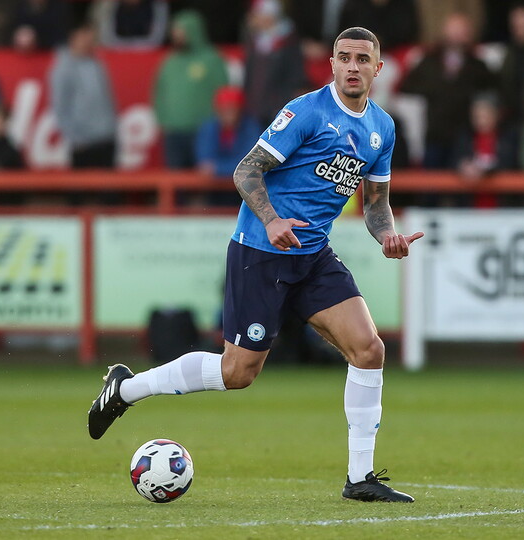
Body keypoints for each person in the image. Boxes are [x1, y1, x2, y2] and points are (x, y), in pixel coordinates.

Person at [88, 26, 423, 504]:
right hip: (261, 251)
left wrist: (387, 234)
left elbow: (375, 203)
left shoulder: (382, 128)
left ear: (377, 68)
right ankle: (127, 388)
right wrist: (269, 220)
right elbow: (245, 169)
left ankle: (360, 477)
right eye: (344, 57)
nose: (352, 66)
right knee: (238, 372)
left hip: (312, 254)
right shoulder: (307, 112)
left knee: (369, 349)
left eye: (362, 59)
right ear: (331, 64)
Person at [399, 12, 496, 169]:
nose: (456, 36)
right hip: (434, 134)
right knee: (431, 184)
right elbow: (407, 87)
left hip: (466, 136)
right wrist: (434, 91)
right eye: (453, 30)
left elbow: (490, 92)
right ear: (444, 32)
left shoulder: (478, 65)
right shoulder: (428, 61)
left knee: (463, 187)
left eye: (461, 31)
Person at [153, 9, 228, 169]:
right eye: (175, 31)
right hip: (173, 132)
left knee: (203, 179)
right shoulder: (169, 61)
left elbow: (224, 93)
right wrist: (162, 119)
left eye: (181, 30)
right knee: (175, 181)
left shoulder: (212, 59)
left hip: (203, 131)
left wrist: (216, 122)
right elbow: (159, 92)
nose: (176, 35)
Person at [49, 23, 118, 168]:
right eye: (85, 38)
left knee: (110, 188)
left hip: (107, 137)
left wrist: (112, 128)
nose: (89, 42)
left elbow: (107, 99)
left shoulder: (97, 64)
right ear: (73, 39)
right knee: (84, 189)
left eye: (91, 38)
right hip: (84, 143)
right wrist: (76, 139)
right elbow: (59, 108)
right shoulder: (62, 69)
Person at [243, 0, 308, 125]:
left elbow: (295, 75)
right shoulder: (254, 41)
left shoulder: (287, 42)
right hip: (255, 107)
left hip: (277, 107)